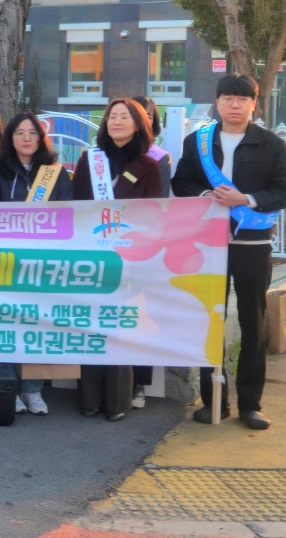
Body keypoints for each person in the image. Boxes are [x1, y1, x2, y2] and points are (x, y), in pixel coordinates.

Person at [172, 74, 286, 430]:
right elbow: (180, 183)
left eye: (243, 99)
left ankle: (250, 404)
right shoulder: (198, 142)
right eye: (228, 98)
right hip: (208, 244)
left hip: (253, 244)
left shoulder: (271, 145)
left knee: (252, 323)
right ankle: (214, 403)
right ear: (218, 102)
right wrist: (203, 197)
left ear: (254, 103)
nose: (235, 104)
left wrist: (247, 200)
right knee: (208, 320)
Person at [72, 98, 163, 421]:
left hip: (129, 258)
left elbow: (154, 216)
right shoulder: (89, 160)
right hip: (92, 256)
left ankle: (117, 401)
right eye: (112, 117)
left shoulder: (148, 166)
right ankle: (89, 398)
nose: (117, 122)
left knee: (119, 326)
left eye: (125, 117)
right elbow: (76, 208)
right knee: (91, 326)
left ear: (139, 125)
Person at [0, 111, 74, 415]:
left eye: (32, 133)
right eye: (20, 133)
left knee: (35, 324)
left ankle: (33, 390)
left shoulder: (55, 172)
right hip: (4, 258)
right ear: (10, 138)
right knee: (3, 323)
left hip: (42, 259)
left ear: (41, 138)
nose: (26, 138)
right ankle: (6, 385)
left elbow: (67, 214)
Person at [129, 94, 171, 408]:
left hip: (143, 247)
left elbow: (160, 204)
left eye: (142, 115)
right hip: (105, 245)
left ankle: (139, 383)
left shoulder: (159, 158)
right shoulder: (98, 156)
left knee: (140, 315)